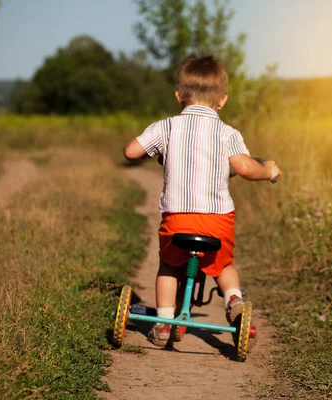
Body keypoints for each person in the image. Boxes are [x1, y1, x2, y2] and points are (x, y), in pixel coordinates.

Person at [123, 54, 282, 346]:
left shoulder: (166, 127)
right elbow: (246, 169)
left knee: (170, 265)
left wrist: (158, 150)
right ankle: (233, 300)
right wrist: (268, 169)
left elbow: (131, 152)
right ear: (222, 100)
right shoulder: (227, 133)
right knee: (223, 266)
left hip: (177, 220)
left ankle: (163, 323)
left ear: (178, 95)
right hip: (216, 221)